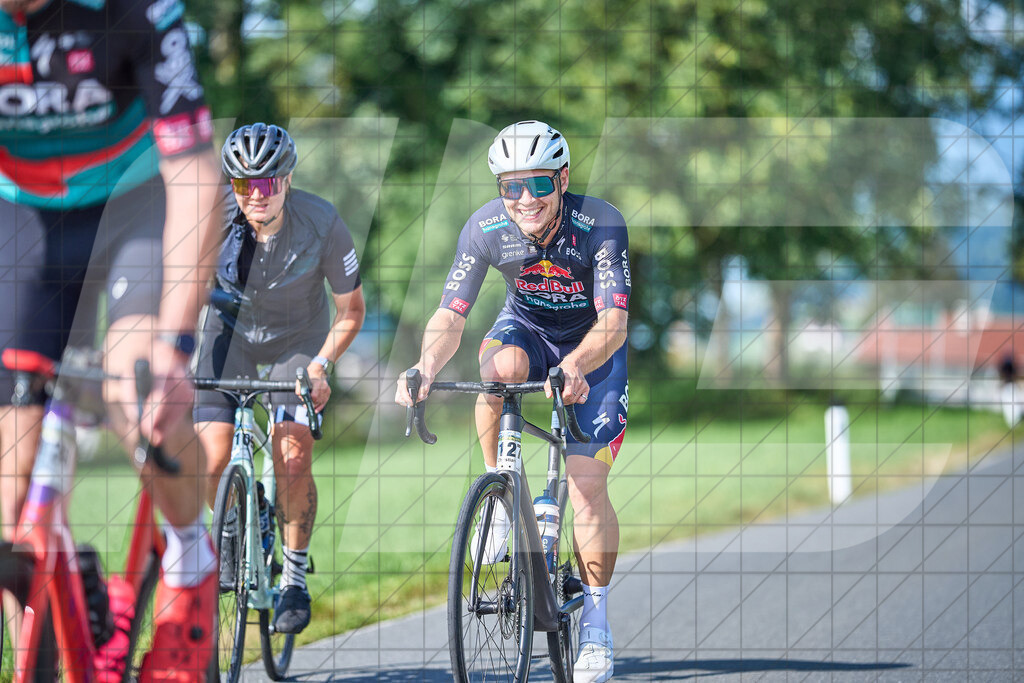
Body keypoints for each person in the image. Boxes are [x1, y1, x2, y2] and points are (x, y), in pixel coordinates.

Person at [0, 0, 222, 678]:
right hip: (25, 219)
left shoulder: (133, 10)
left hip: (136, 207)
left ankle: (190, 563)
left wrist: (175, 347)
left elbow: (195, 173)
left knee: (141, 394)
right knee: (9, 488)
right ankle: (55, 618)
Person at [396, 120, 629, 683]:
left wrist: (577, 364)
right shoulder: (486, 228)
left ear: (562, 180)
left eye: (539, 184)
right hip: (526, 331)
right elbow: (450, 316)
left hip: (592, 347)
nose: (525, 198)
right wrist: (425, 367)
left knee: (586, 487)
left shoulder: (599, 223)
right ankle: (501, 495)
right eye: (511, 186)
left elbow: (615, 322)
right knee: (499, 371)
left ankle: (596, 625)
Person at [194, 122, 365, 634]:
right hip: (230, 335)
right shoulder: (211, 218)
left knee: (291, 454)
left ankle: (293, 577)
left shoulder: (322, 223)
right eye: (242, 184)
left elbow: (351, 311)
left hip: (298, 341)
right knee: (210, 457)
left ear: (287, 180)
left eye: (267, 183)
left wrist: (321, 365)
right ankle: (233, 524)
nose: (256, 195)